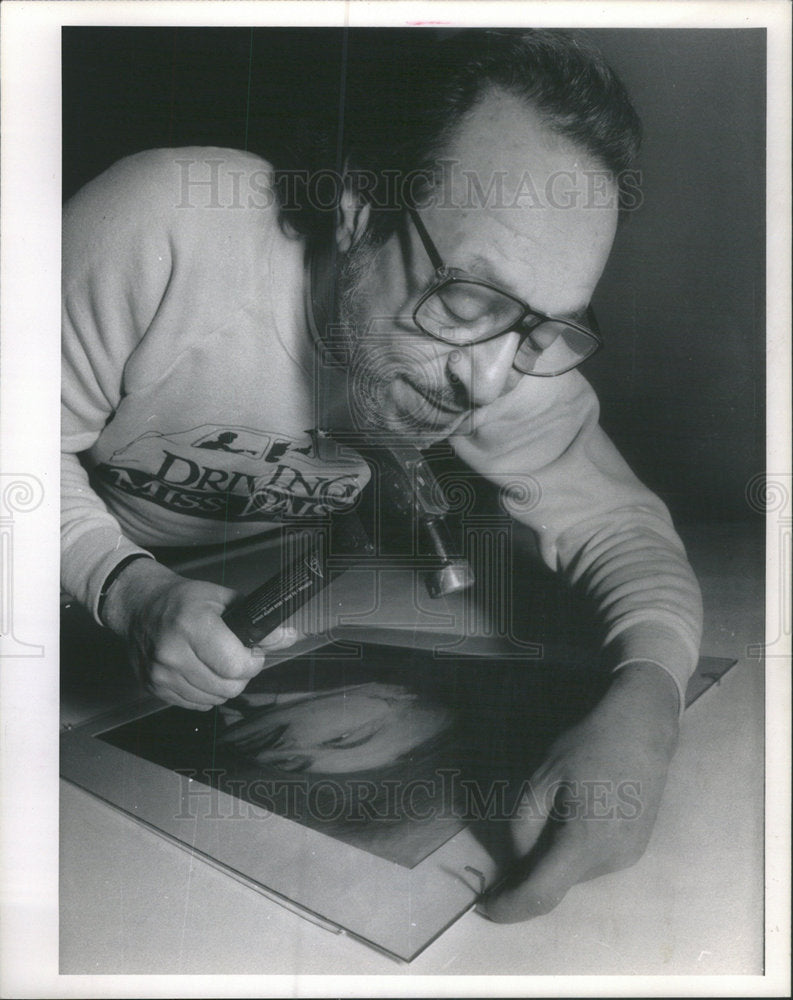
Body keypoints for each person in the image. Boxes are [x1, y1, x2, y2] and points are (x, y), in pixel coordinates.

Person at [61, 29, 703, 923]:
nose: (484, 382)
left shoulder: (505, 352)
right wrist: (123, 586)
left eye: (540, 329)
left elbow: (620, 528)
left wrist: (650, 697)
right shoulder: (161, 225)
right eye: (465, 299)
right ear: (363, 207)